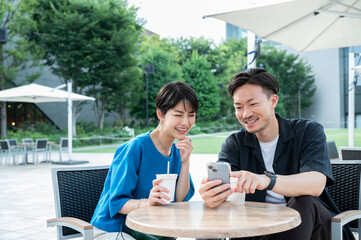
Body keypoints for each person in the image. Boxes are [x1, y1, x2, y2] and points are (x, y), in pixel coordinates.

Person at [198, 68, 353, 240]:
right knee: (207, 222)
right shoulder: (235, 144)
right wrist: (213, 194)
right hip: (259, 228)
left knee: (303, 201)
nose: (245, 114)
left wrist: (267, 180)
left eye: (253, 104)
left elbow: (316, 183)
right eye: (238, 107)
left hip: (315, 229)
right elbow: (225, 189)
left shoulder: (308, 131)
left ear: (273, 101)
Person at [91, 81, 199, 240]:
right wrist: (148, 202)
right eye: (178, 114)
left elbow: (179, 199)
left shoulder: (178, 151)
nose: (186, 122)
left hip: (152, 232)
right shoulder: (135, 148)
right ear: (160, 114)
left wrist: (185, 163)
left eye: (191, 115)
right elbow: (117, 204)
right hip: (114, 231)